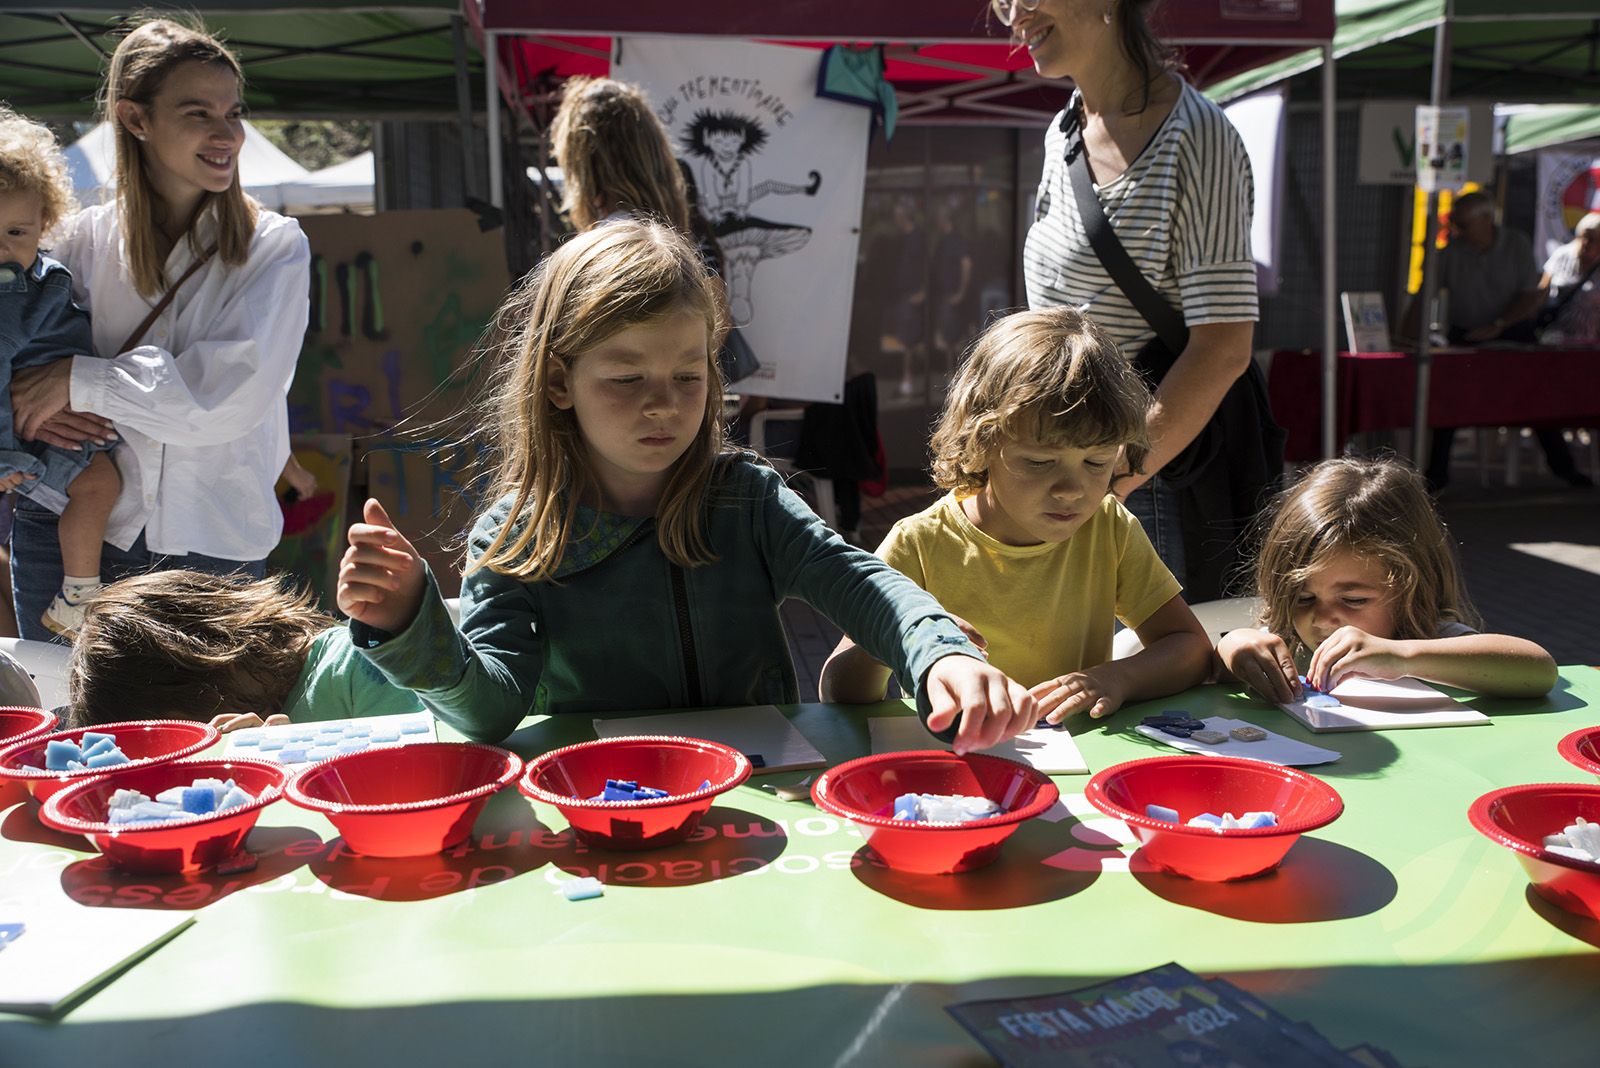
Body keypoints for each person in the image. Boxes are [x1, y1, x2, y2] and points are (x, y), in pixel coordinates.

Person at [335, 219, 1038, 752]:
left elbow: (858, 581)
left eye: (688, 375)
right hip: (604, 813)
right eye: (626, 377)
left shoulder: (748, 499)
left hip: (754, 808)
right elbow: (489, 710)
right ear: (557, 381)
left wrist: (937, 648)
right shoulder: (514, 534)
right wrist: (409, 622)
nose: (663, 404)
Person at [8, 18, 312, 642]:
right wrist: (17, 403)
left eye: (234, 111)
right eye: (198, 112)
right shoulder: (75, 238)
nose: (228, 133)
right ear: (135, 119)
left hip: (210, 542)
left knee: (210, 732)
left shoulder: (273, 247)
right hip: (68, 529)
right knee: (70, 732)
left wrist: (76, 380)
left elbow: (226, 398)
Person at [1005, 0, 1278, 604]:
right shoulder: (1066, 128)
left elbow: (1224, 347)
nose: (1015, 16)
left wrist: (1116, 476)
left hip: (1141, 472)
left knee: (1145, 675)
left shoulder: (1197, 135)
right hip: (1073, 466)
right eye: (1004, 2)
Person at [819, 307, 1212, 722]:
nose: (1072, 490)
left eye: (1096, 463)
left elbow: (1189, 646)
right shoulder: (919, 544)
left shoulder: (1108, 527)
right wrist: (899, 631)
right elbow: (837, 689)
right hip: (956, 770)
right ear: (981, 441)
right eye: (1040, 462)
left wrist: (1116, 679)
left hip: (1077, 769)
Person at [1217, 457, 1557, 701]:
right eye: (1303, 598)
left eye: (1353, 600)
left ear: (1412, 588)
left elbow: (1538, 670)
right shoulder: (1288, 641)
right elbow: (1217, 665)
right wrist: (1233, 647)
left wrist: (1401, 656)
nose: (1322, 619)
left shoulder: (1427, 636)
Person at [0, 107, 121, 638]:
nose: (3, 247)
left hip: (43, 425)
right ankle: (79, 593)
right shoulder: (8, 294)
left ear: (44, 223)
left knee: (98, 485)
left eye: (17, 230)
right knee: (98, 485)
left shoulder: (37, 275)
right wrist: (5, 452)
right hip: (33, 439)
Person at [64, 569, 425, 732]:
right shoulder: (250, 725)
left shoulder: (355, 663)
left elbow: (422, 775)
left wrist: (293, 759)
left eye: (191, 728)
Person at [1401, 191, 1588, 489]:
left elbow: (1530, 295)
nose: (1458, 231)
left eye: (1463, 224)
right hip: (1465, 336)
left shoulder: (1516, 245)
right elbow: (1424, 295)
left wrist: (1500, 325)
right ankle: (1437, 474)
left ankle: (1564, 468)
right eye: (1456, 224)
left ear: (1487, 219)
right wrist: (1403, 337)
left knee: (1538, 400)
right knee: (1449, 400)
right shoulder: (1450, 252)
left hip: (1513, 332)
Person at [1537, 210, 1600, 345]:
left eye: (1592, 239)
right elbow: (1542, 289)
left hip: (1591, 343)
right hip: (1554, 338)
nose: (1585, 243)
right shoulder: (1561, 255)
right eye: (1583, 237)